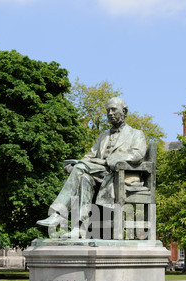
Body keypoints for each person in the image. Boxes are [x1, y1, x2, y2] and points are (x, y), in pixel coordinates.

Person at [37, 97, 147, 237]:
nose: (110, 113)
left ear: (124, 111)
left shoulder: (136, 134)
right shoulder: (103, 136)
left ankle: (58, 214)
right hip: (99, 174)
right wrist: (76, 165)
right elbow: (90, 156)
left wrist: (112, 160)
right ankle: (80, 229)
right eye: (108, 110)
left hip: (120, 175)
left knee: (81, 170)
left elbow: (138, 154)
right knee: (84, 178)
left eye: (113, 109)